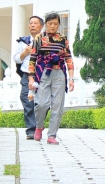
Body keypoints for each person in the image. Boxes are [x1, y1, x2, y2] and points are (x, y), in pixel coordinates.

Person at [28, 12, 75, 144]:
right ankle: (39, 126)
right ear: (45, 25)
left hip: (59, 73)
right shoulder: (39, 38)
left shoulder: (63, 39)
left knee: (57, 106)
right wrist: (31, 78)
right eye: (50, 24)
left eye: (55, 24)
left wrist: (71, 79)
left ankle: (52, 135)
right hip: (43, 72)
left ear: (59, 24)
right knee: (41, 103)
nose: (52, 26)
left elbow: (68, 59)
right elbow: (32, 59)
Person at [12, 15, 44, 141]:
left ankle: (39, 126)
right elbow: (16, 59)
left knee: (42, 103)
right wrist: (25, 52)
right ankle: (31, 130)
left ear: (41, 26)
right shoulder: (23, 42)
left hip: (42, 76)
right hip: (26, 75)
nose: (32, 25)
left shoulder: (46, 41)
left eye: (35, 23)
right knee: (26, 99)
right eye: (31, 23)